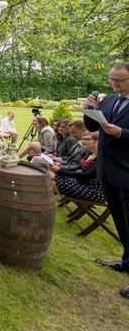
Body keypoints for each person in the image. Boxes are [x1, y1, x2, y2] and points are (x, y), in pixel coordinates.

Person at [83, 62, 129, 299]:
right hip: (107, 170)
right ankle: (126, 260)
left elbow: (118, 131)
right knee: (121, 221)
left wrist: (120, 132)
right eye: (112, 79)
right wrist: (89, 109)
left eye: (120, 80)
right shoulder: (109, 100)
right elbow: (92, 125)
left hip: (127, 171)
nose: (114, 84)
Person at [53, 132, 105, 203]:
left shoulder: (102, 157)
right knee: (50, 176)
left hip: (95, 191)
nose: (83, 141)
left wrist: (60, 171)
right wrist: (60, 168)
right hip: (81, 183)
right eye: (82, 139)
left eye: (87, 139)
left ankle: (43, 208)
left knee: (51, 182)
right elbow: (77, 168)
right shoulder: (90, 154)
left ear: (98, 141)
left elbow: (87, 175)